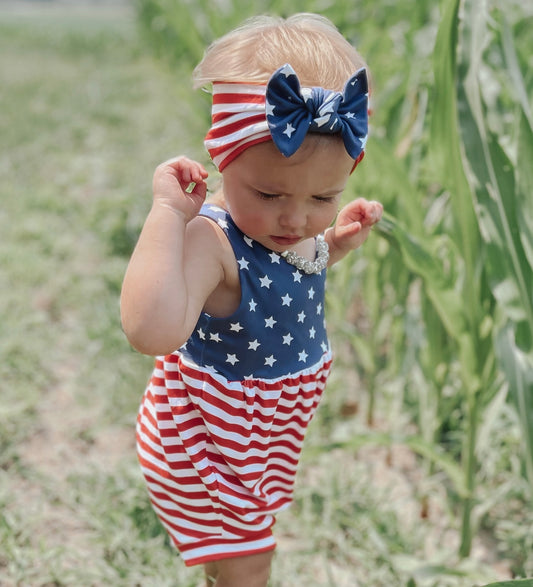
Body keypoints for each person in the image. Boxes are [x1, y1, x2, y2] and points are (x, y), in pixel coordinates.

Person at [120, 12, 383, 587]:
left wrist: (334, 243)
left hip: (254, 440)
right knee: (250, 566)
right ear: (223, 159)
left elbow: (285, 279)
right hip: (207, 445)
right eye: (269, 192)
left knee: (236, 559)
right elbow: (150, 331)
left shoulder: (284, 231)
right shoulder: (211, 241)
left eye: (324, 196)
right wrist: (168, 215)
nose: (296, 218)